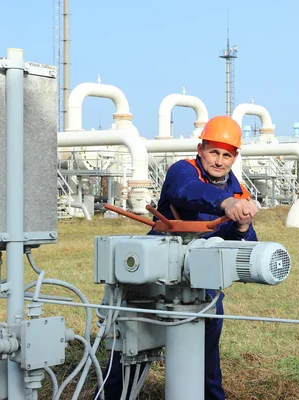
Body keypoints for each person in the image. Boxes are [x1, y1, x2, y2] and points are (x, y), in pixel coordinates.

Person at [100, 115, 258, 400]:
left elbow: (243, 248)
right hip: (154, 275)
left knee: (207, 358)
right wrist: (226, 203)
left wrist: (243, 226)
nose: (219, 161)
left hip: (201, 282)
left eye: (226, 155)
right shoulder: (181, 172)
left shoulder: (239, 192)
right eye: (213, 152)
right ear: (201, 150)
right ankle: (116, 395)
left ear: (235, 157)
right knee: (132, 348)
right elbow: (186, 192)